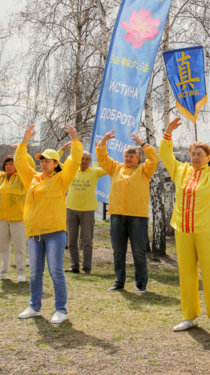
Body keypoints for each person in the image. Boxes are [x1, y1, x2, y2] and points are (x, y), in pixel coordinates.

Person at [160, 116, 210, 334]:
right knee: (186, 274)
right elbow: (165, 155)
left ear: (208, 157)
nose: (195, 157)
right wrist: (168, 133)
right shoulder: (181, 171)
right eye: (192, 153)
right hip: (183, 231)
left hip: (208, 231)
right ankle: (189, 316)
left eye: (199, 154)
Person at [15, 124, 82, 324]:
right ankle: (34, 306)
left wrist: (75, 138)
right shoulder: (33, 179)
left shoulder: (62, 179)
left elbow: (74, 161)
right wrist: (24, 141)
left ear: (55, 164)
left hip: (54, 232)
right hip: (35, 233)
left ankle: (61, 309)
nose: (43, 164)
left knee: (55, 271)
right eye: (41, 160)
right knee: (35, 272)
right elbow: (19, 162)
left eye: (47, 161)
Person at [96, 130, 159, 293]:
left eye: (132, 156)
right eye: (126, 156)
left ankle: (141, 284)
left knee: (138, 251)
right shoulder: (116, 168)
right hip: (117, 215)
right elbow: (102, 159)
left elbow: (154, 159)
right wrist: (103, 141)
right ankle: (119, 282)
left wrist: (143, 144)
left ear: (138, 158)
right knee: (118, 251)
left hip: (138, 217)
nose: (128, 159)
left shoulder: (145, 170)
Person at [0, 144, 33, 283]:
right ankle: (3, 272)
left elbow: (30, 166)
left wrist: (22, 152)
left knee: (19, 247)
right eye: (7, 164)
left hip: (18, 218)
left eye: (12, 164)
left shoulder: (23, 178)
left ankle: (21, 273)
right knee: (3, 247)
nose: (9, 166)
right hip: (1, 218)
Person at [58, 143, 107, 274]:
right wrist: (62, 149)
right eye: (82, 158)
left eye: (87, 159)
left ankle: (86, 268)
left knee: (87, 241)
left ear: (90, 161)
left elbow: (109, 167)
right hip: (71, 209)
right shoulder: (71, 170)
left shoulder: (95, 172)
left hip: (88, 210)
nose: (84, 161)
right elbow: (55, 162)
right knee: (71, 241)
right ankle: (74, 266)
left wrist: (101, 149)